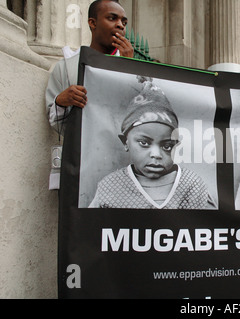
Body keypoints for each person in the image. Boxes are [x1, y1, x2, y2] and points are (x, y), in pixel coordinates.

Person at [89, 77, 217, 210]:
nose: (156, 155)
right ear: (125, 142)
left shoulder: (192, 186)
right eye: (144, 143)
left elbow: (212, 226)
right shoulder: (110, 187)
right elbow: (89, 227)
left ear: (176, 145)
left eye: (167, 146)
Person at [46, 0, 134, 133]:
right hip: (81, 150)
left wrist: (129, 68)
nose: (120, 25)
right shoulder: (65, 68)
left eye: (124, 22)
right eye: (112, 18)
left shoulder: (135, 70)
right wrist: (61, 102)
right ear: (93, 23)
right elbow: (56, 123)